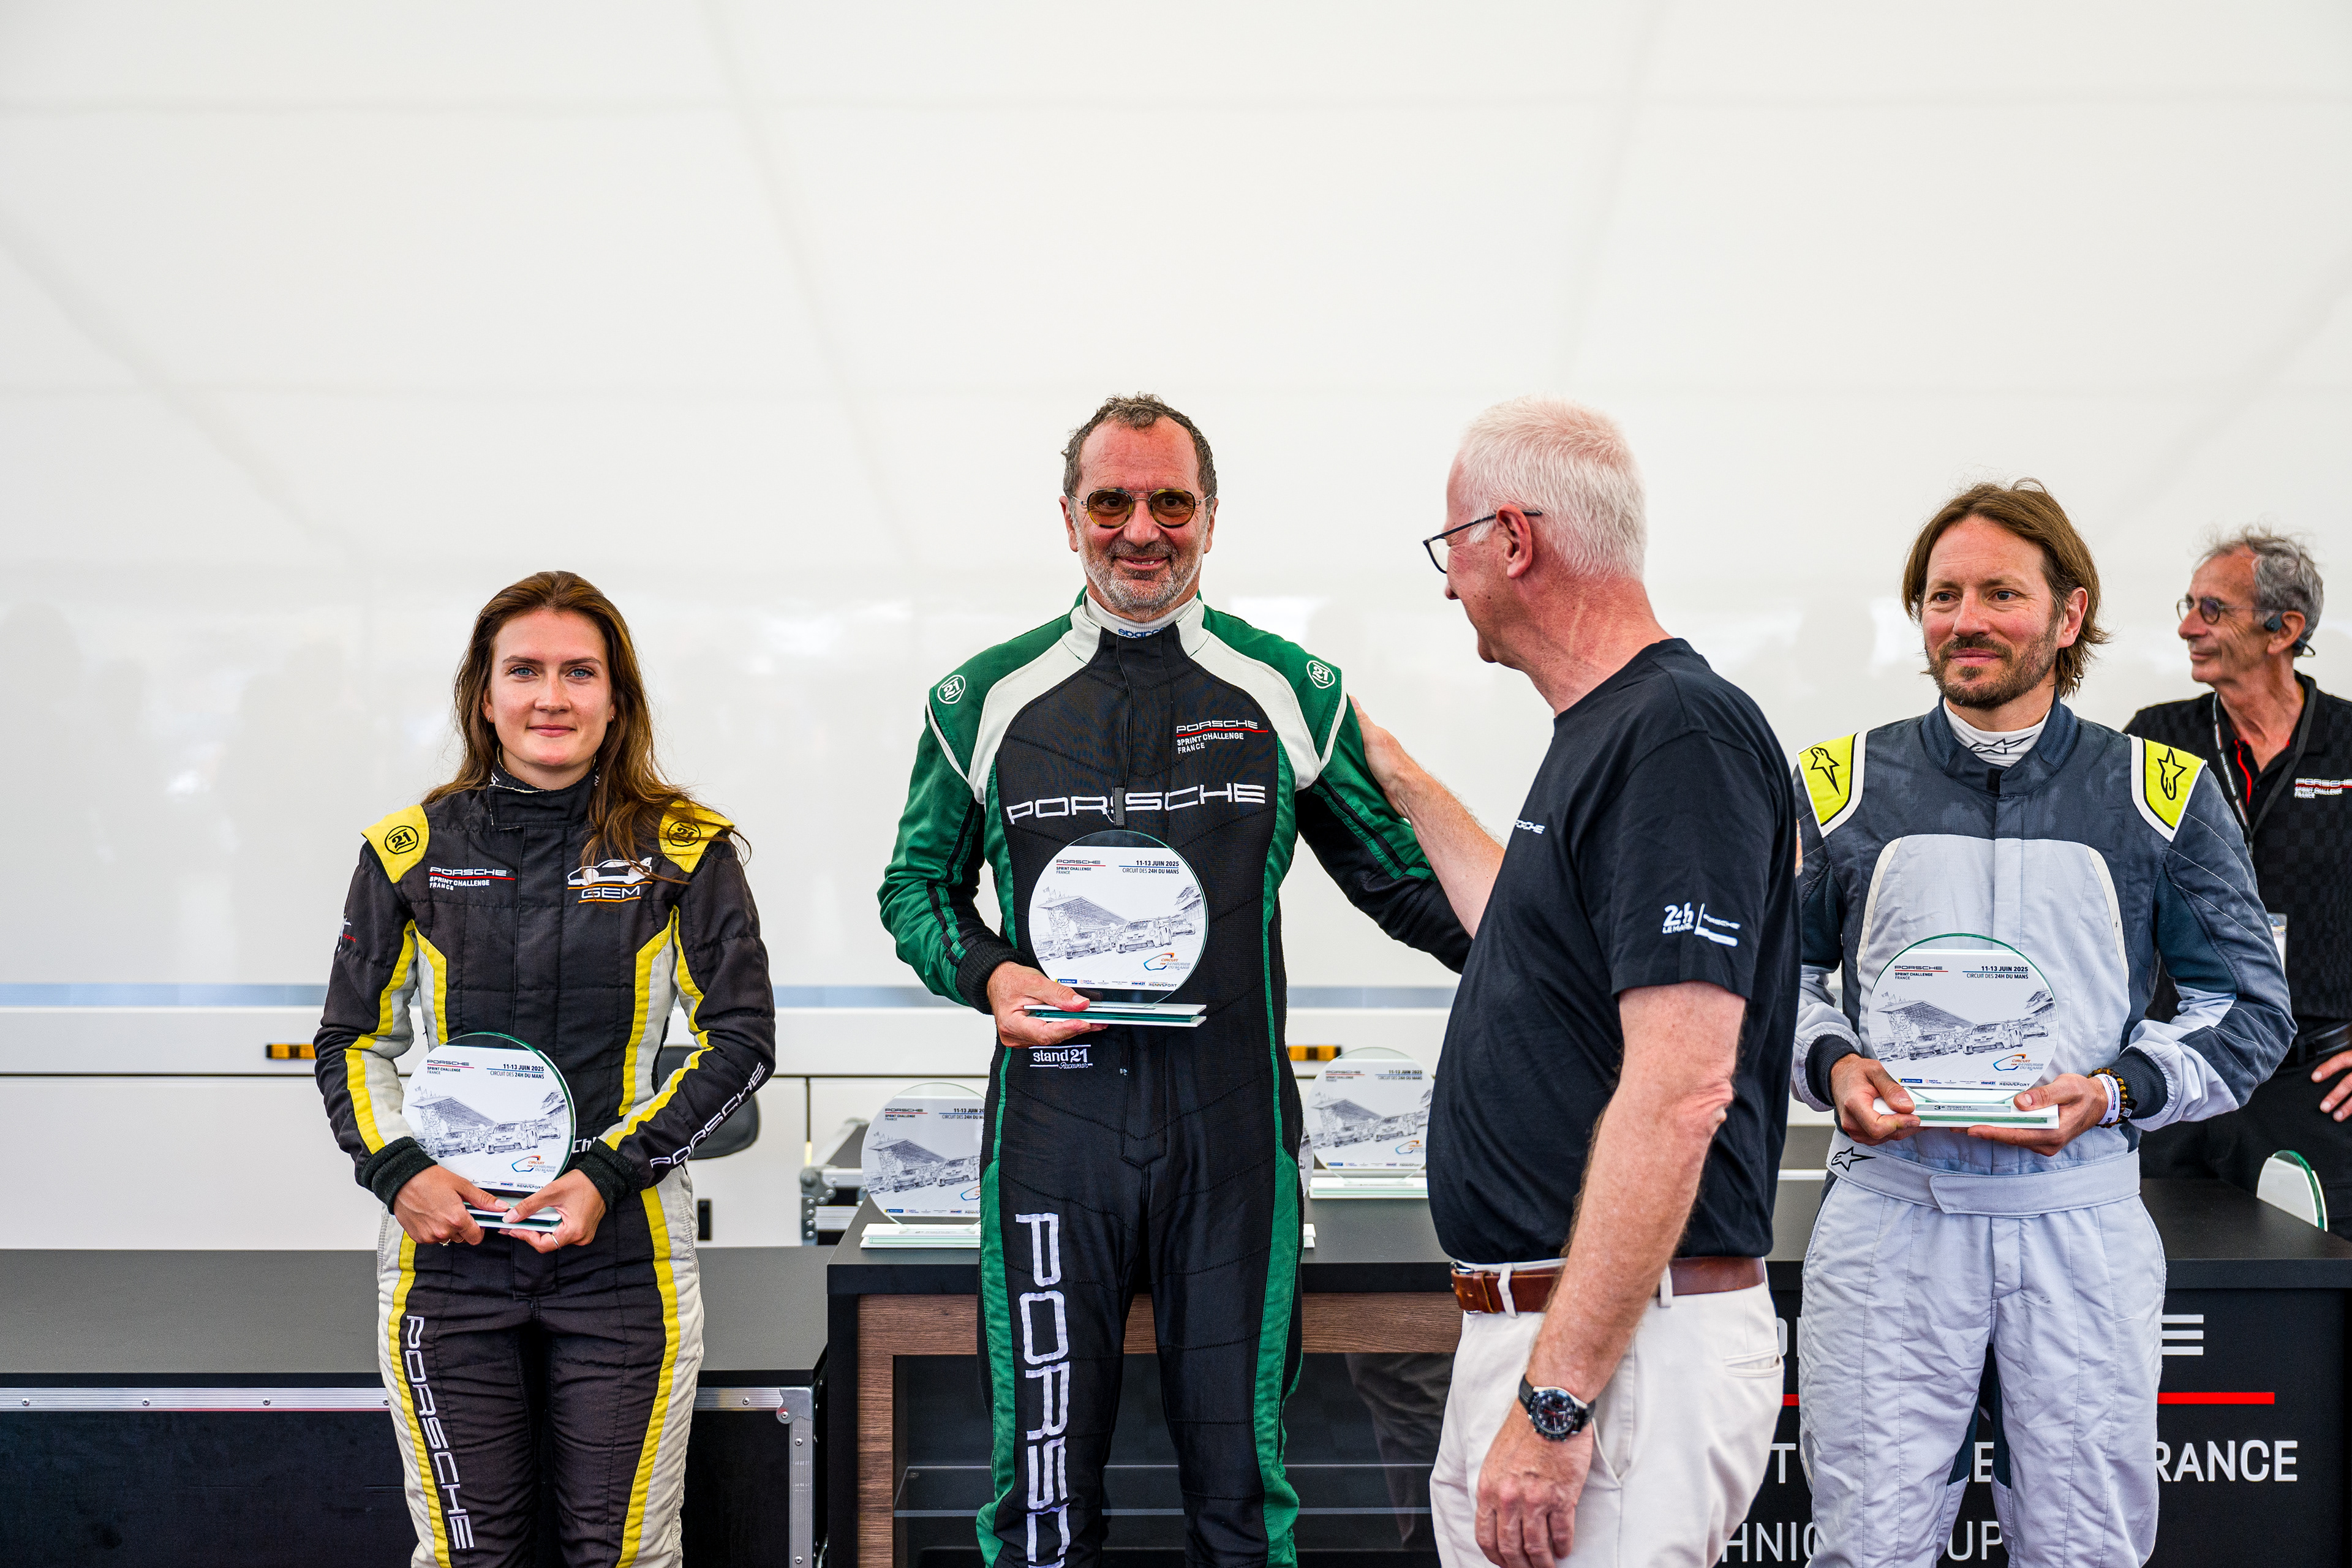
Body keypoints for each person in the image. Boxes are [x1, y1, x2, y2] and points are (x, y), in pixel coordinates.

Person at [876, 393, 1474, 1568]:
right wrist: (990, 975)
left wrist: (1567, 957)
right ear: (1068, 518)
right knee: (1042, 1504)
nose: (1141, 530)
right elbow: (915, 889)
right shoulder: (981, 698)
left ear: (1211, 517)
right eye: (1111, 503)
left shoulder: (1289, 689)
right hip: (1054, 1145)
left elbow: (1408, 889)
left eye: (1170, 503)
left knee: (1241, 1499)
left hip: (1233, 1143)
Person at [1789, 483, 2293, 1567]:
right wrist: (1830, 1062)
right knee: (1867, 1548)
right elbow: (1767, 982)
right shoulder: (1837, 784)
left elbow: (2250, 1009)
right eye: (1943, 596)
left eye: (2000, 594)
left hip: (2079, 1221)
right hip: (1892, 1215)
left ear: (2069, 616)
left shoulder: (2159, 790)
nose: (1965, 620)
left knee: (2084, 1550)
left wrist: (2115, 1092)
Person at [1355, 394, 1796, 1568]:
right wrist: (1390, 770)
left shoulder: (1680, 738)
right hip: (1564, 1343)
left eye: (1451, 547)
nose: (1448, 587)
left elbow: (1680, 1092)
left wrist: (1557, 1405)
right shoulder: (1609, 733)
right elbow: (1525, 931)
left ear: (1514, 538)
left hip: (1613, 1363)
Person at [314, 571, 775, 1567]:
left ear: (617, 699)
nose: (551, 698)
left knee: (621, 1555)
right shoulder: (408, 851)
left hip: (623, 1257)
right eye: (524, 672)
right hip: (447, 1258)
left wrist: (608, 1174)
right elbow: (352, 1041)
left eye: (579, 673)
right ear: (484, 697)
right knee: (468, 1556)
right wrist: (400, 1173)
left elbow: (740, 1043)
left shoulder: (685, 851)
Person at [2127, 532, 2352, 1234]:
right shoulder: (2154, 742)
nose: (2187, 627)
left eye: (2213, 609)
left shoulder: (2348, 740)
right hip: (2180, 1078)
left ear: (2283, 629)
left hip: (2314, 1088)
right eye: (2189, 605)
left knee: (2309, 1291)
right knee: (2166, 1280)